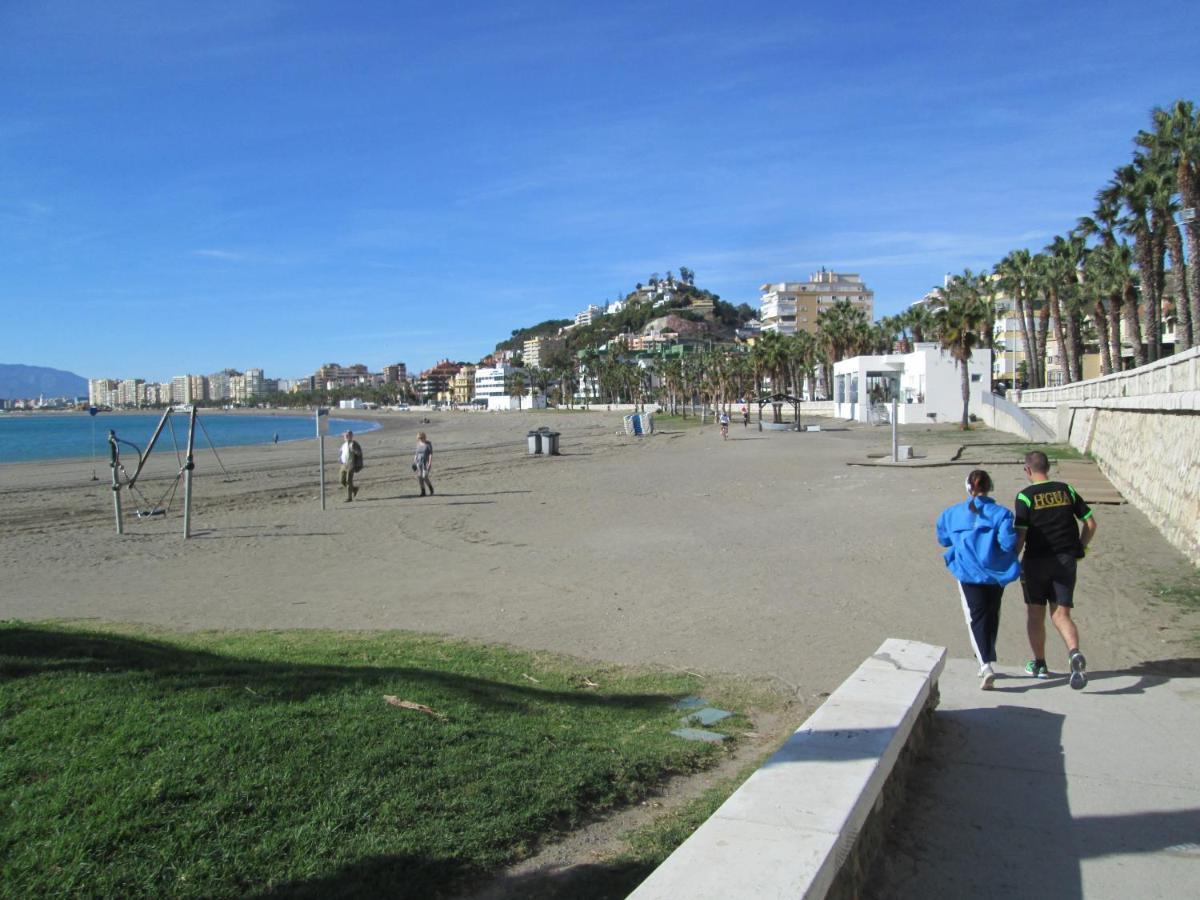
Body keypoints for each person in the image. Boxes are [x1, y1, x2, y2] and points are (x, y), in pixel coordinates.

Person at [1014, 450, 1098, 689]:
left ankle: (1040, 664)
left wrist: (1011, 560)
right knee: (1062, 615)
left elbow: (1021, 535)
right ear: (1047, 467)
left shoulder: (1025, 497)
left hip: (1035, 562)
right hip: (1065, 560)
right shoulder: (1066, 490)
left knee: (1035, 614)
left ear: (1028, 470)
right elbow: (1090, 523)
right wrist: (1080, 547)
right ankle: (1074, 653)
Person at [937, 469, 1021, 690]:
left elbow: (943, 539)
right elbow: (1007, 543)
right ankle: (986, 658)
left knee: (974, 617)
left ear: (968, 487)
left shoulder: (951, 513)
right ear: (989, 487)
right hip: (996, 573)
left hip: (967, 572)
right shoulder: (1002, 514)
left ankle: (985, 665)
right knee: (992, 615)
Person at [338, 430, 362, 502]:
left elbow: (359, 453)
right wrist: (340, 458)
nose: (345, 436)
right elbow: (341, 452)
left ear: (351, 436)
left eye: (347, 435)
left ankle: (349, 498)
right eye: (345, 435)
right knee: (341, 480)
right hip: (343, 465)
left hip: (351, 464)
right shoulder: (343, 444)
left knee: (349, 481)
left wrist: (354, 450)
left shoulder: (353, 444)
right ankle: (354, 489)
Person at [413, 431, 434, 497]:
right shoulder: (418, 444)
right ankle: (423, 491)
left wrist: (430, 462)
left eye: (421, 438)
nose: (420, 439)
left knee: (424, 476)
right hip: (419, 462)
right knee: (420, 477)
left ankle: (430, 488)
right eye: (419, 438)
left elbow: (430, 453)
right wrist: (414, 462)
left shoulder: (428, 444)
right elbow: (416, 454)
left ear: (424, 437)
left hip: (425, 462)